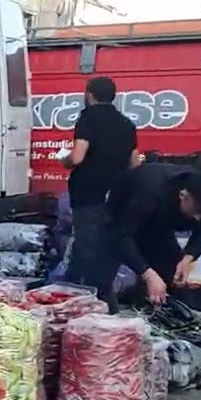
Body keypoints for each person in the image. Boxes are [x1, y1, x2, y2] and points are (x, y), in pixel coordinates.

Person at [95, 163, 201, 310]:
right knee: (102, 279)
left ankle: (156, 313)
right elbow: (121, 236)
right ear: (183, 196)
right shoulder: (151, 193)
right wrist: (147, 273)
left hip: (159, 225)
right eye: (195, 211)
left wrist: (188, 259)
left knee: (173, 277)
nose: (199, 218)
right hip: (119, 221)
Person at [63, 76, 139, 290]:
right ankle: (104, 292)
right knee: (107, 245)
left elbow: (77, 156)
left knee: (86, 245)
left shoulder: (87, 118)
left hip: (88, 193)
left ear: (90, 95)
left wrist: (64, 160)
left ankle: (80, 292)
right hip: (116, 195)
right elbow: (135, 163)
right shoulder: (127, 123)